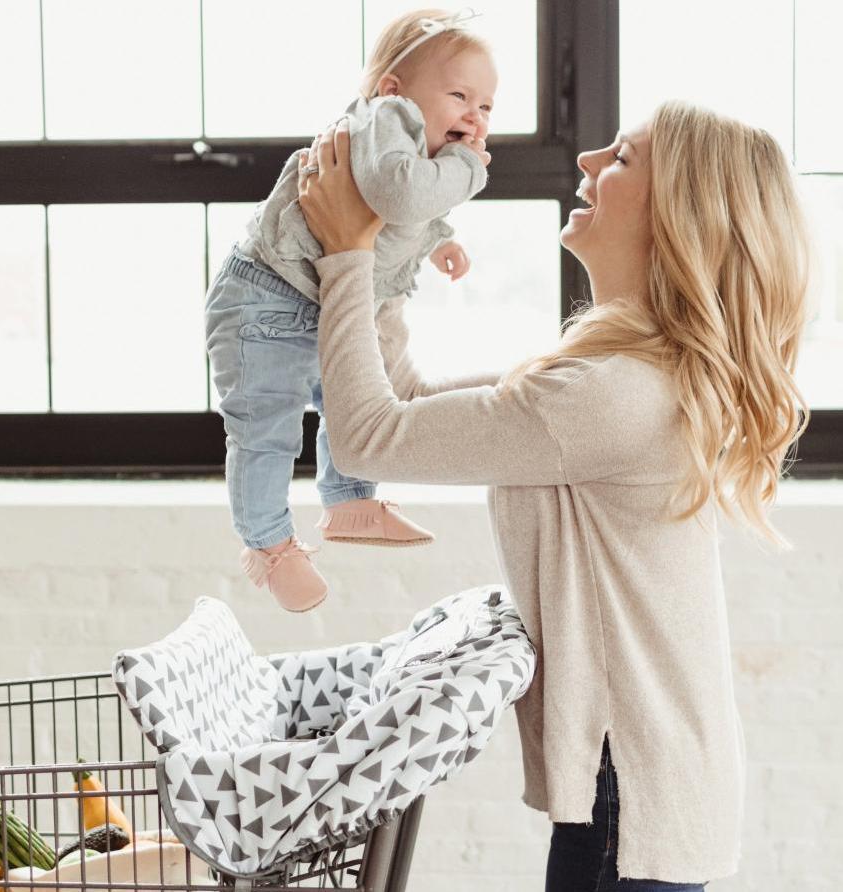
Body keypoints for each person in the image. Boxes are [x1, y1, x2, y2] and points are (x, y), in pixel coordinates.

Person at [296, 100, 811, 889]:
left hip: (635, 787)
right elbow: (401, 396)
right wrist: (390, 243)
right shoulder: (613, 371)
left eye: (625, 158)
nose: (587, 160)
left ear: (679, 216)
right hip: (648, 777)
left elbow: (368, 436)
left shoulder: (611, 395)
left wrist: (345, 252)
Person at [204, 8, 497, 613]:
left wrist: (437, 239)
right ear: (394, 90)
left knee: (355, 394)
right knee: (267, 432)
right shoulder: (384, 120)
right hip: (267, 297)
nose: (475, 115)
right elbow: (397, 191)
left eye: (488, 105)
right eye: (460, 95)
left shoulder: (409, 143)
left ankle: (348, 499)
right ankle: (269, 545)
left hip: (314, 298)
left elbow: (399, 208)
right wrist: (468, 169)